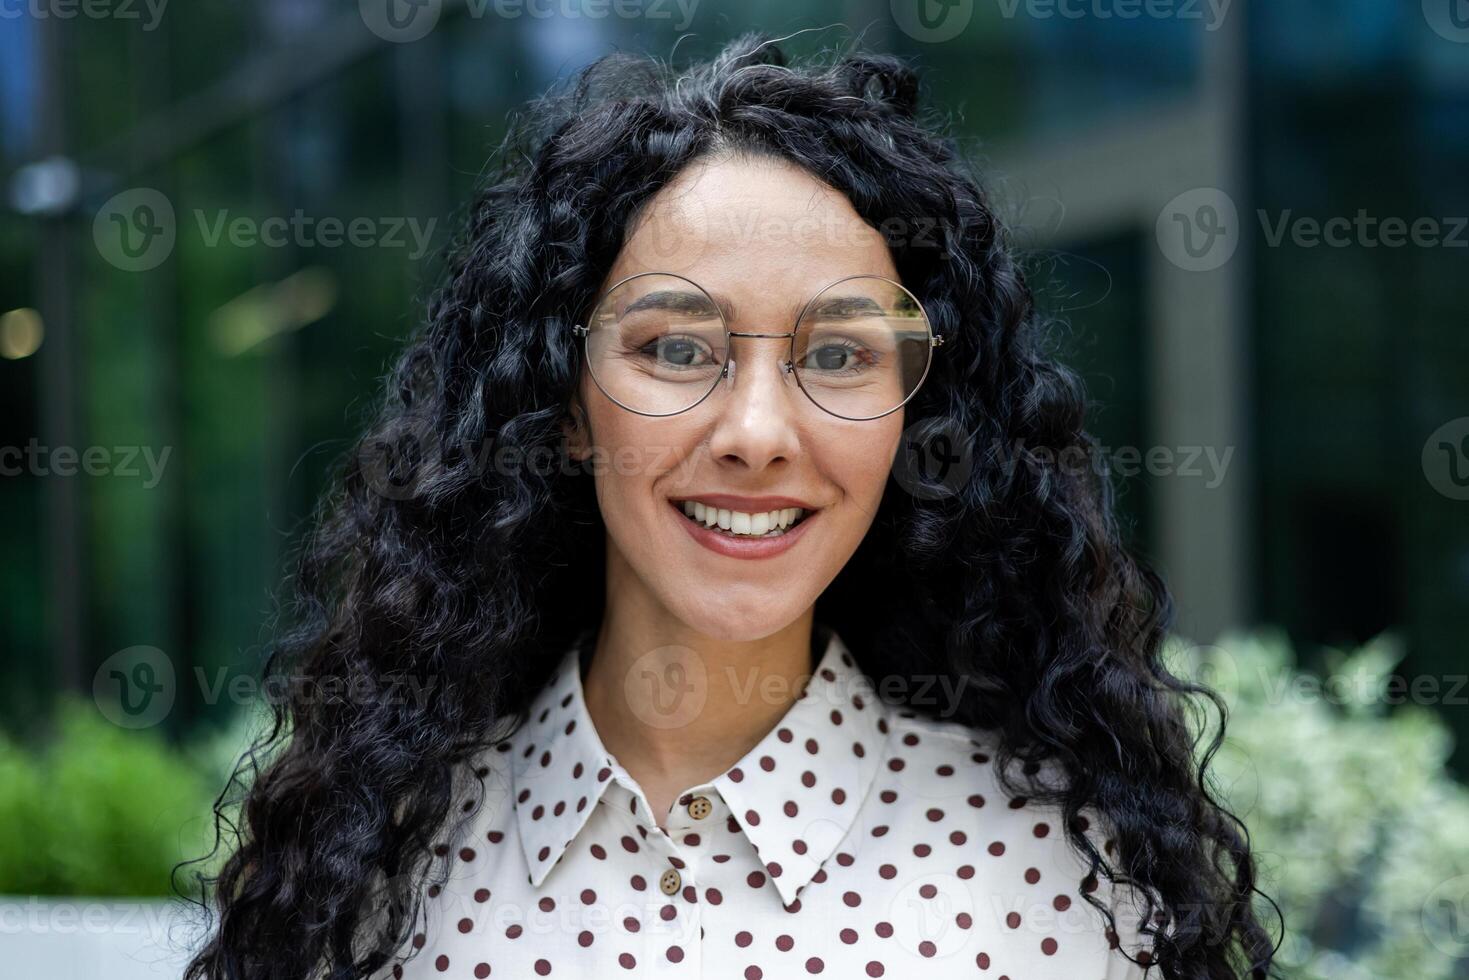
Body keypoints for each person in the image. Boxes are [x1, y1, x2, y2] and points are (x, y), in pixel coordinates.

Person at [184, 34, 1277, 980]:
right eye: (675, 347)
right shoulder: (374, 865)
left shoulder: (1052, 880)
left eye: (839, 352)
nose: (756, 432)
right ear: (564, 404)